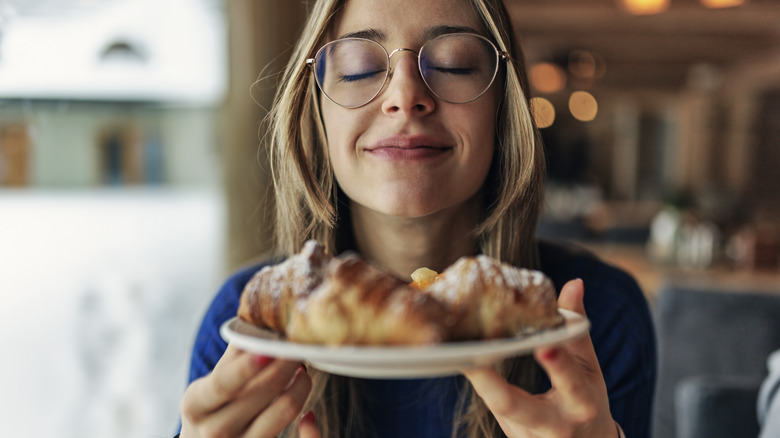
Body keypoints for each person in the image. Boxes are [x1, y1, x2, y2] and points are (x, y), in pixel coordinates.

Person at [177, 0, 657, 437]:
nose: (405, 96)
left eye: (453, 64)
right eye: (360, 68)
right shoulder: (245, 325)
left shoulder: (599, 318)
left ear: (502, 105)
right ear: (317, 110)